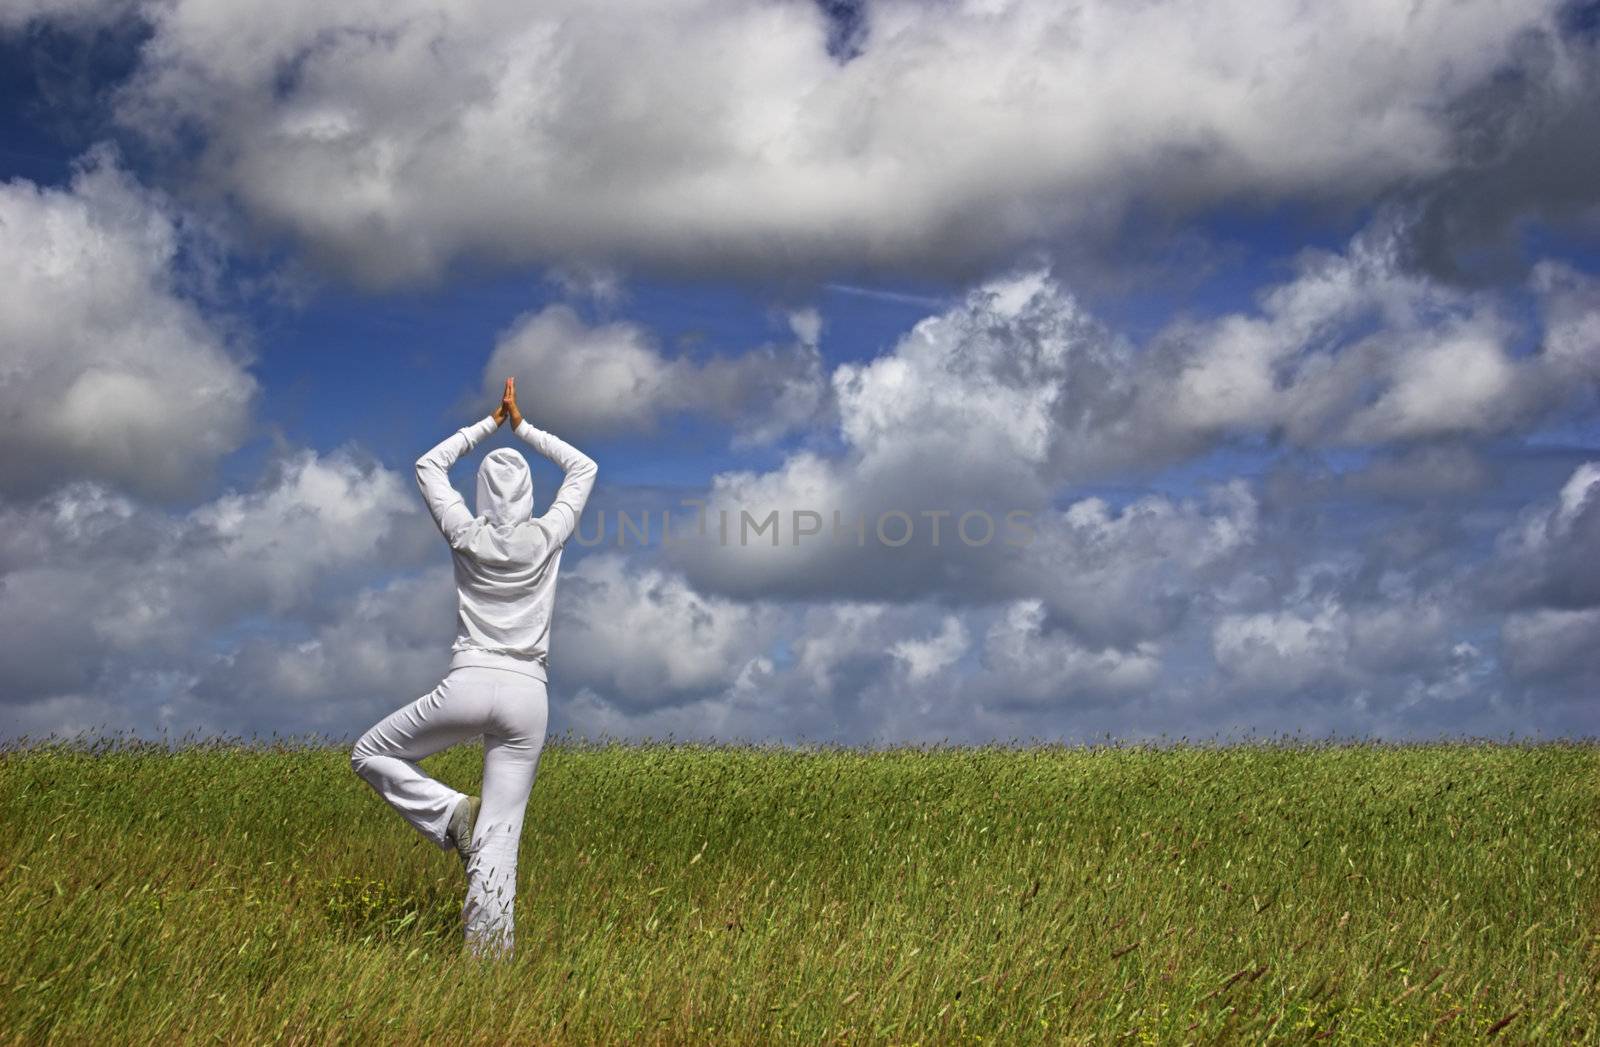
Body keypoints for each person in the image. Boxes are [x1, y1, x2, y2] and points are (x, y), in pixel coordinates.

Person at [350, 376, 598, 961]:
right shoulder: (547, 536)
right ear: (530, 494)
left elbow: (428, 465)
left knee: (370, 752)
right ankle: (489, 973)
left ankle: (449, 812)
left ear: (484, 494)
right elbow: (584, 468)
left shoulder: (466, 532)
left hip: (469, 681)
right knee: (501, 840)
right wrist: (525, 426)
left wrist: (488, 424)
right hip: (528, 695)